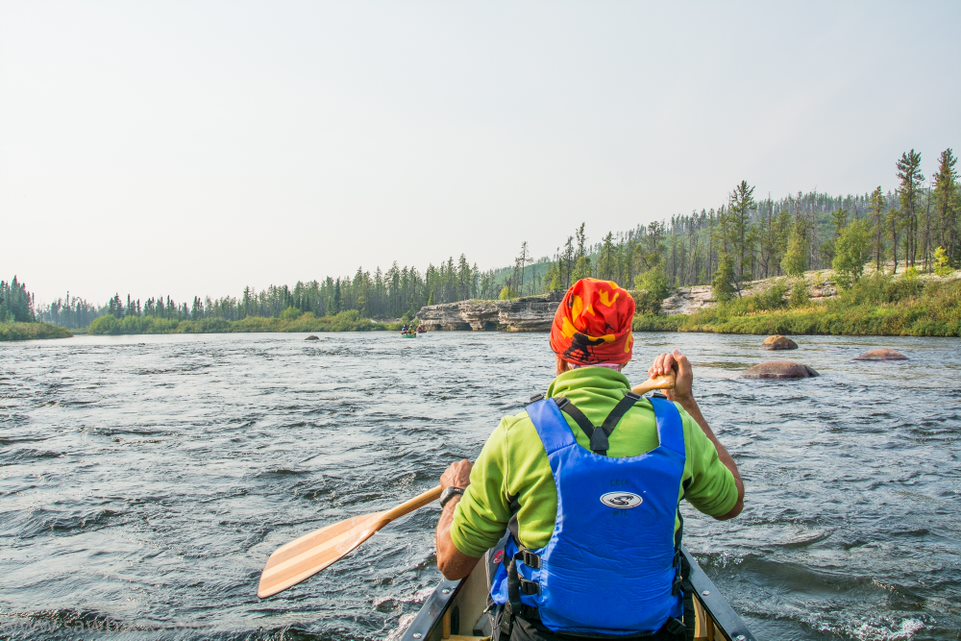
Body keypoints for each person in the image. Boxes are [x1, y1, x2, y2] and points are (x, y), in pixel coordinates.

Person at [434, 278, 744, 641]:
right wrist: (686, 403)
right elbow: (731, 504)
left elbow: (452, 565)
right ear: (626, 353)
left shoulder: (517, 433)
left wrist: (454, 493)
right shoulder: (677, 426)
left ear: (560, 354)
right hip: (657, 632)